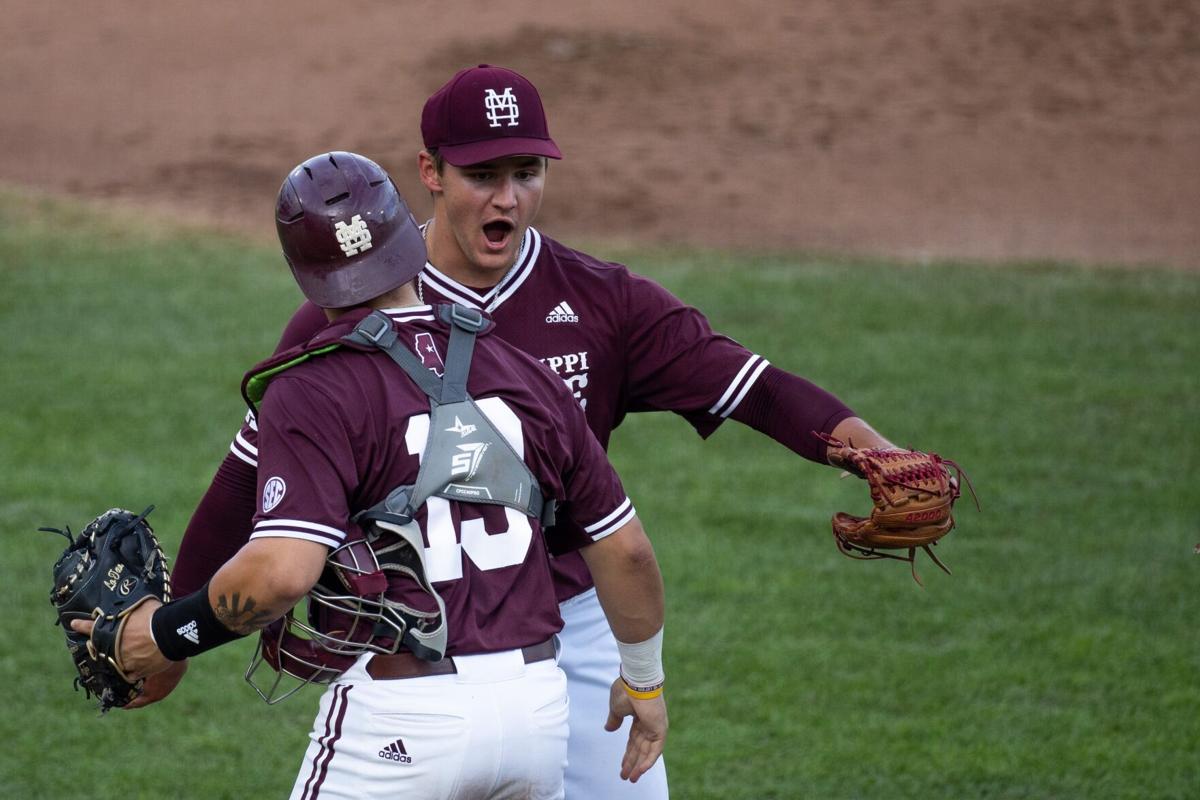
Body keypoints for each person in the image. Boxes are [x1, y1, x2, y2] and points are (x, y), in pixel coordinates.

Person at [149, 65, 901, 798]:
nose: (507, 196)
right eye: (483, 176)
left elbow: (753, 388)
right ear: (430, 172)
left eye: (526, 172)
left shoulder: (603, 301)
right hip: (415, 638)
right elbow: (242, 483)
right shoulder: (335, 320)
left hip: (566, 629)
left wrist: (879, 457)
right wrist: (173, 647)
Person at [76, 150, 668, 798]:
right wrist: (642, 680)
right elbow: (628, 552)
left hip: (402, 720)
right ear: (406, 239)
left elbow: (281, 573)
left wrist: (165, 633)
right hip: (536, 714)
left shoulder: (311, 389)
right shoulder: (526, 374)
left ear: (305, 276)